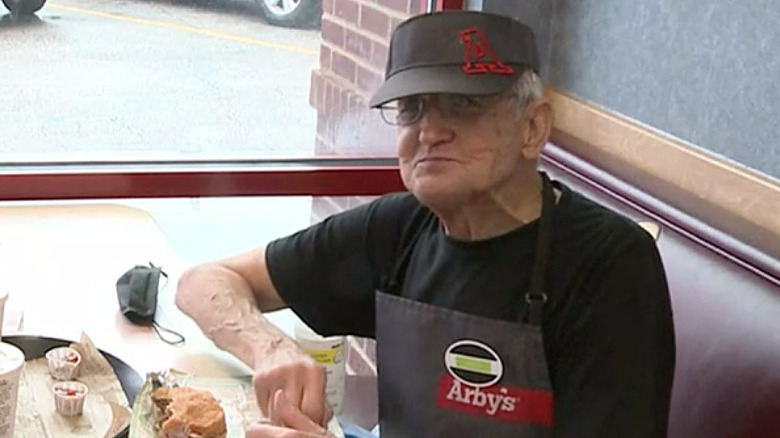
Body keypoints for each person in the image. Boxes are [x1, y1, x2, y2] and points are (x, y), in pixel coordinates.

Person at [175, 10, 676, 438]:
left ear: (533, 127)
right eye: (412, 109)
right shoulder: (400, 229)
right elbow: (204, 283)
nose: (430, 130)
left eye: (465, 104)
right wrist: (269, 348)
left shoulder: (612, 265)